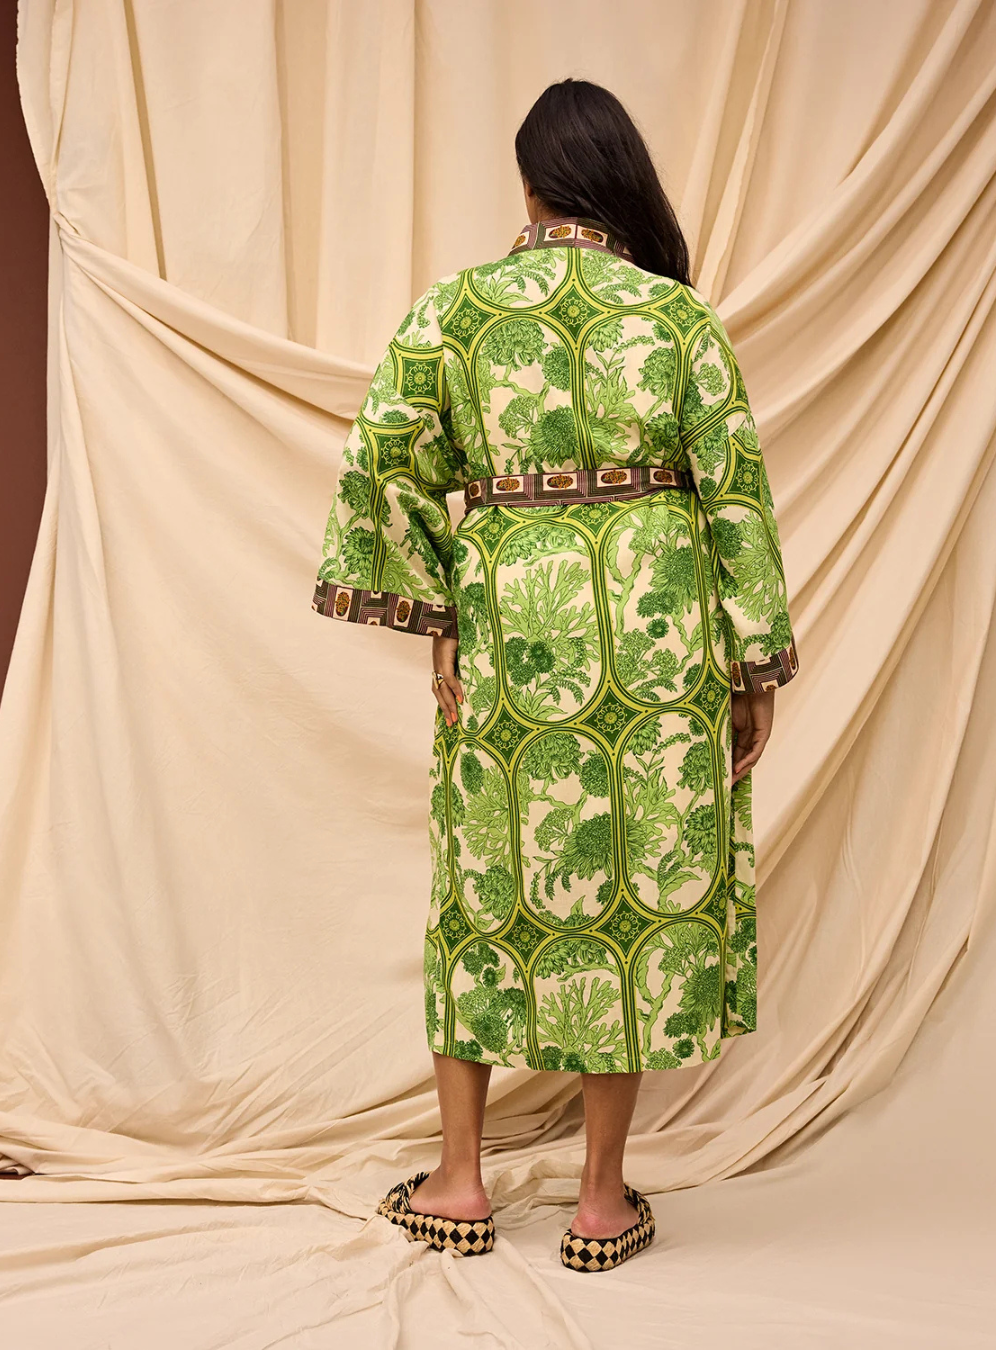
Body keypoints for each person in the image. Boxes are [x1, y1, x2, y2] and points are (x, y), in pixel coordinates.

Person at [311, 78, 798, 1272]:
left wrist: (440, 613)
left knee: (482, 887)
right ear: (619, 180)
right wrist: (754, 666)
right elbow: (734, 495)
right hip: (655, 640)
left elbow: (381, 465)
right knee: (626, 888)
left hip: (509, 635)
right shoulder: (678, 321)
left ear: (530, 183)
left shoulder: (455, 313)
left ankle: (461, 1182)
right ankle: (598, 1201)